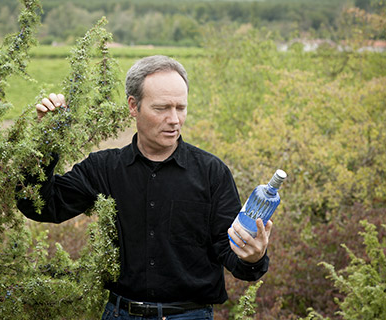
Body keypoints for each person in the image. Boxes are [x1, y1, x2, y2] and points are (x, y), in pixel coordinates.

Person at [17, 55, 272, 320]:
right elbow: (42, 206)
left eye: (180, 108)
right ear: (133, 106)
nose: (174, 119)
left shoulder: (212, 173)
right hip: (120, 313)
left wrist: (252, 258)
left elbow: (231, 253)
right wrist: (45, 139)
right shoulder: (104, 169)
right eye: (162, 108)